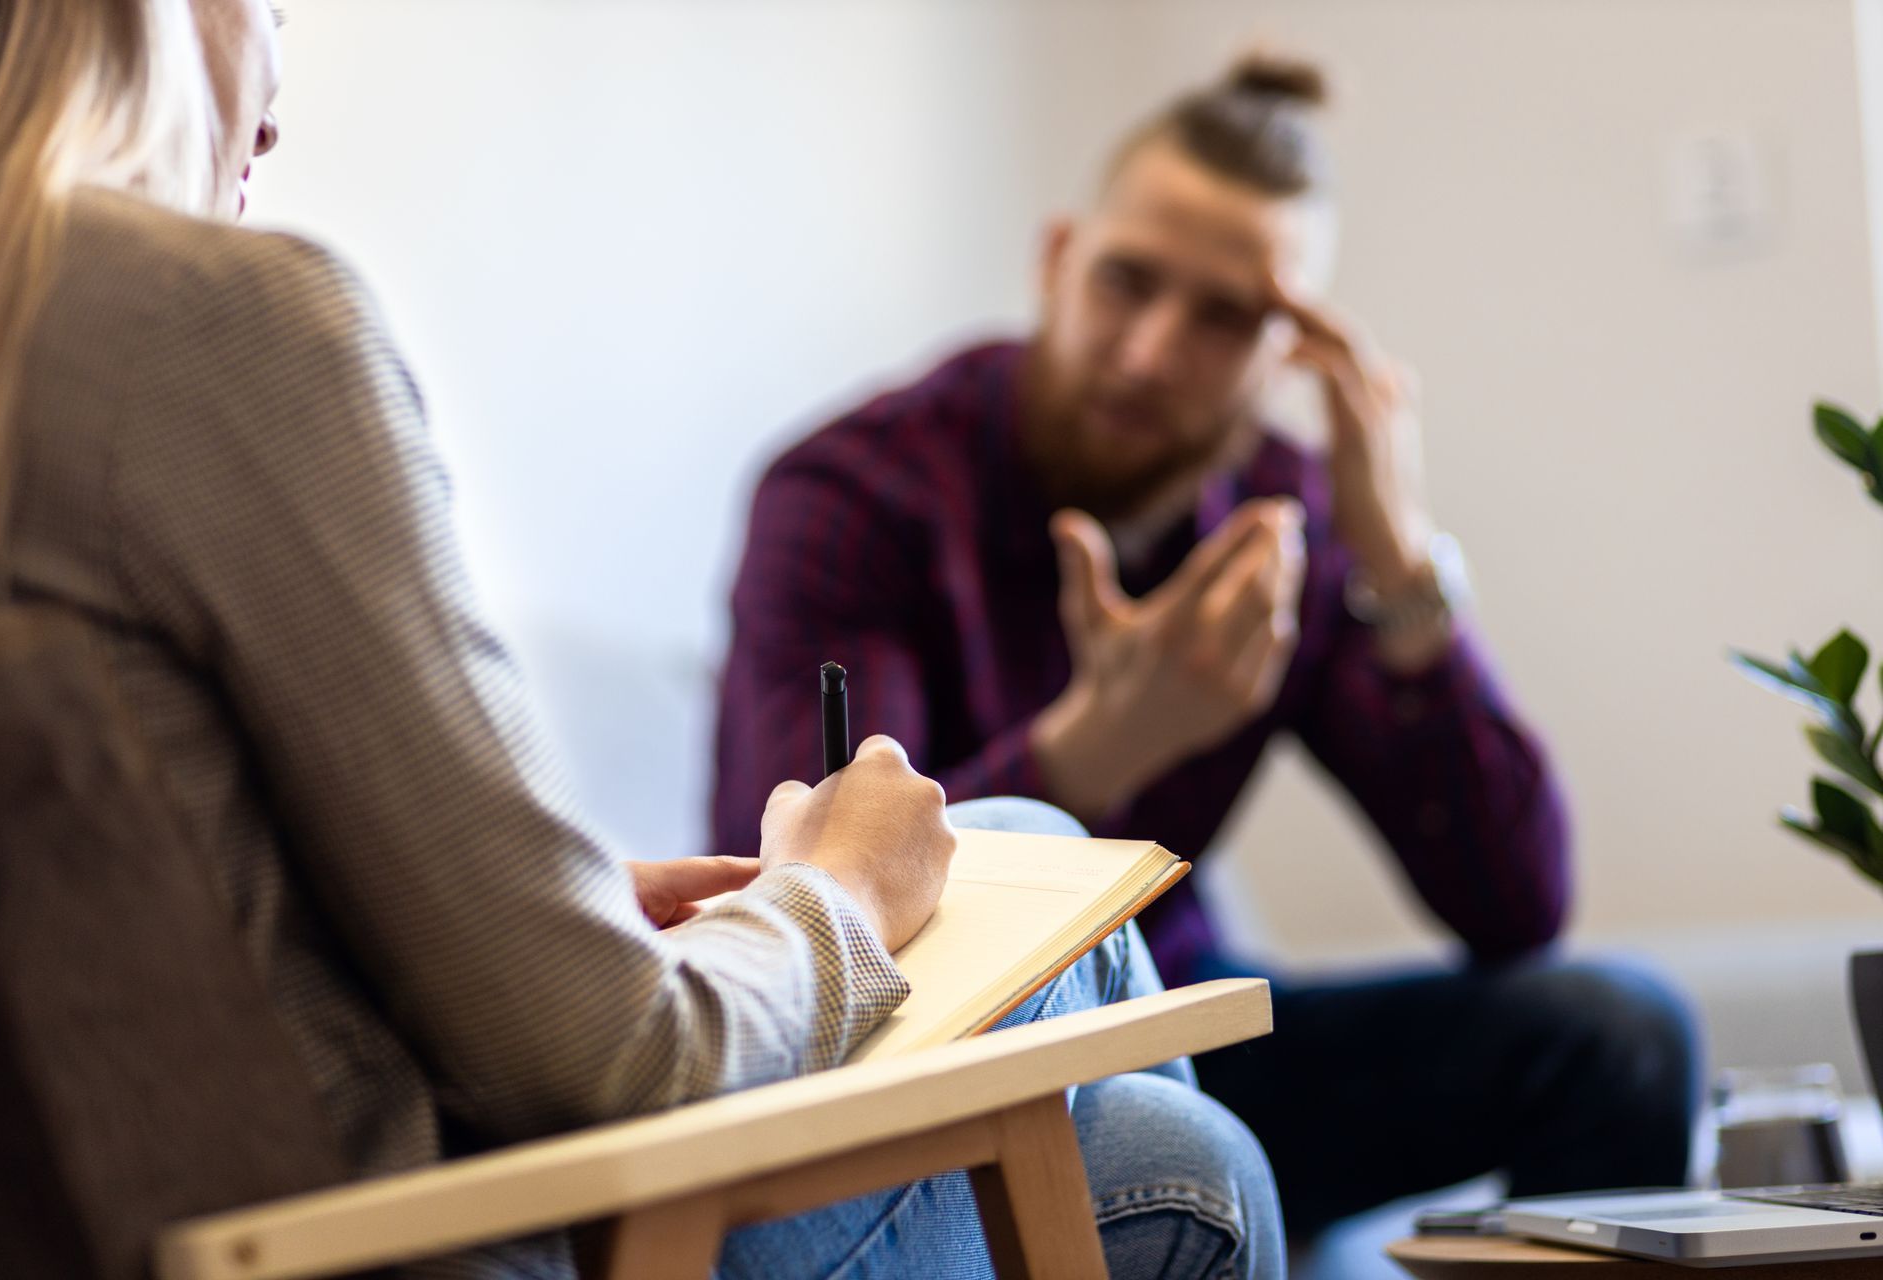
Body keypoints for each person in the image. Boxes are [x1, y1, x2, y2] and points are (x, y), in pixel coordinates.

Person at [0, 1, 1284, 1275]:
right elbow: (606, 1057)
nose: (266, 110)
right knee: (1177, 1149)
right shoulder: (205, 325)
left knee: (1046, 873)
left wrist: (556, 911)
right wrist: (840, 902)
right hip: (427, 1244)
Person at [714, 53, 1703, 1242]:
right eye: (1127, 282)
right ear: (1056, 259)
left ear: (1286, 350)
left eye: (1223, 315)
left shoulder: (1276, 528)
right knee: (1168, 1119)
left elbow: (1517, 904)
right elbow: (792, 891)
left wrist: (1401, 570)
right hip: (940, 1083)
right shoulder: (853, 491)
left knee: (1622, 1032)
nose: (1147, 352)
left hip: (1181, 1020)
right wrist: (1089, 754)